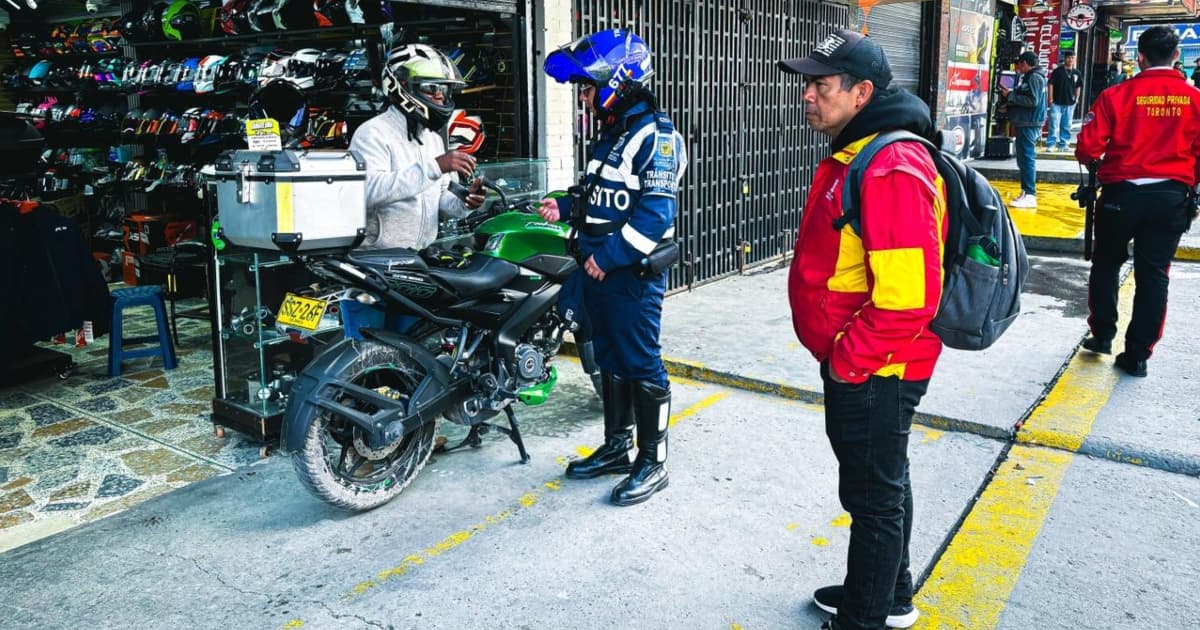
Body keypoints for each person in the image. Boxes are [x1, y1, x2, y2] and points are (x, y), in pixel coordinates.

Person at [777, 29, 947, 630]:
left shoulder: (890, 166)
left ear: (862, 92)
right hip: (868, 360)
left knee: (872, 497)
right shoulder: (861, 152)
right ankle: (887, 593)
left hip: (879, 365)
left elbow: (908, 299)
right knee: (883, 480)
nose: (807, 96)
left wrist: (849, 362)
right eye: (807, 84)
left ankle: (865, 617)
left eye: (820, 85)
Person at [539, 29, 688, 506]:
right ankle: (618, 447)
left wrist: (608, 257)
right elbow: (600, 194)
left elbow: (654, 214)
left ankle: (653, 462)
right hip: (598, 272)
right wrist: (566, 205)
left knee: (641, 364)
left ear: (618, 81)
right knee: (608, 359)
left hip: (630, 276)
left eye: (587, 86)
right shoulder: (614, 135)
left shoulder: (656, 136)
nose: (583, 97)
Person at [1074, 25, 1200, 377]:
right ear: (1176, 56)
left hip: (1121, 195)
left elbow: (1087, 148)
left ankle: (1102, 335)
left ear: (1139, 56)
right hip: (1171, 197)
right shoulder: (1195, 100)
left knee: (1106, 263)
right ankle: (1138, 355)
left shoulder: (1116, 96)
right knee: (1154, 274)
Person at [342, 44, 485, 338]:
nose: (440, 97)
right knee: (366, 356)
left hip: (415, 266)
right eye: (432, 88)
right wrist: (435, 167)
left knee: (413, 355)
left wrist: (465, 203)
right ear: (402, 86)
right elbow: (368, 190)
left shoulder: (432, 138)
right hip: (374, 265)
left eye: (444, 91)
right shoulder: (373, 133)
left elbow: (440, 198)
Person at [999, 51, 1047, 208]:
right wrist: (1010, 106)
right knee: (1023, 158)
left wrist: (1010, 95)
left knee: (1026, 158)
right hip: (1026, 121)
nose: (1018, 67)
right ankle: (1026, 191)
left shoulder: (1034, 77)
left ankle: (1030, 194)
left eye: (1019, 64)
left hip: (1029, 123)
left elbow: (1033, 101)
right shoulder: (1032, 77)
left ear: (1026, 63)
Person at [1046, 51, 1082, 152]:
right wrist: (1050, 99)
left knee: (1067, 125)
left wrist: (1077, 98)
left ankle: (1064, 145)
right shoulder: (1058, 71)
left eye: (1072, 58)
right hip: (1057, 102)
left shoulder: (1077, 72)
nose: (1070, 60)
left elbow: (1078, 86)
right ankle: (1051, 144)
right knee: (1054, 124)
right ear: (1065, 58)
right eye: (1068, 58)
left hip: (1070, 103)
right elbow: (1050, 84)